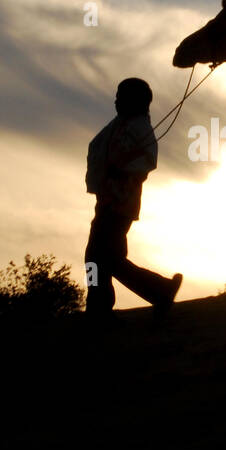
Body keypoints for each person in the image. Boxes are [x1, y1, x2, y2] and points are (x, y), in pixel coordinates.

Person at [84, 78, 183, 318]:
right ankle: (154, 292)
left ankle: (103, 306)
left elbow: (146, 162)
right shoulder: (121, 125)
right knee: (105, 258)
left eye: (122, 96)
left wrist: (119, 171)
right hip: (109, 201)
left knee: (99, 258)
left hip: (120, 202)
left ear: (135, 100)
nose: (116, 100)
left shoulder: (139, 127)